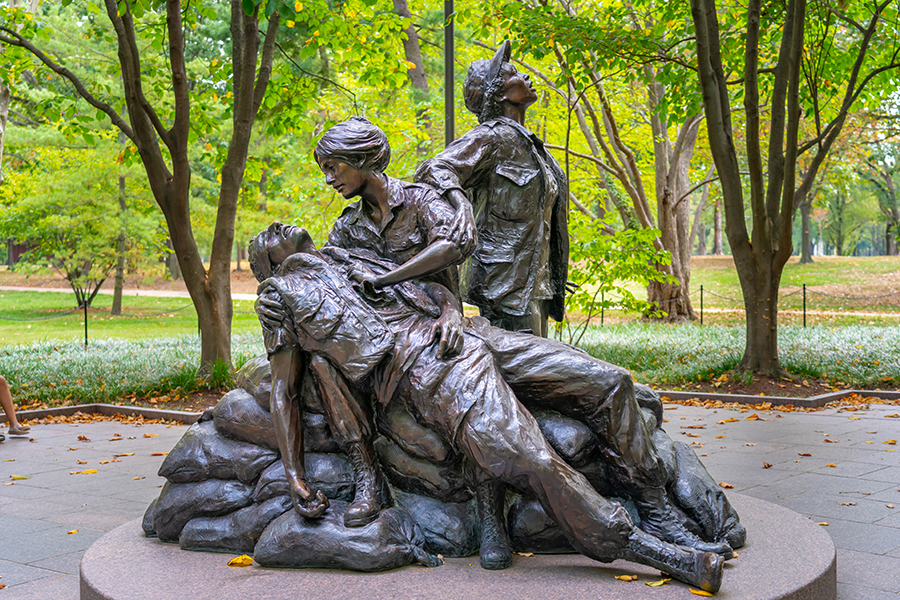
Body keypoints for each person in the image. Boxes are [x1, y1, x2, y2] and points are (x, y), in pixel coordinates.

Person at [249, 223, 726, 593]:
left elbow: (431, 287)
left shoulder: (345, 254)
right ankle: (659, 553)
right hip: (432, 366)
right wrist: (295, 478)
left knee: (609, 381)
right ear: (268, 267)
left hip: (472, 334)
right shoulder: (281, 300)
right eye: (268, 237)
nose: (278, 228)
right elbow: (284, 393)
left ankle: (658, 509)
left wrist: (451, 312)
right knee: (531, 457)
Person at [415, 40, 568, 338]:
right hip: (504, 286)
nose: (526, 77)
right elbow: (433, 169)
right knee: (522, 376)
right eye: (515, 74)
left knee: (539, 374)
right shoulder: (491, 138)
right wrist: (461, 204)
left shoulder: (535, 149)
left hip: (536, 284)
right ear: (498, 92)